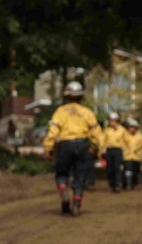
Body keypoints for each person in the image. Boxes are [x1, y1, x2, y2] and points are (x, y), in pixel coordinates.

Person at [43, 81, 102, 216]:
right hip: (83, 145)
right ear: (81, 97)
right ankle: (76, 203)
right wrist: (95, 148)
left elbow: (53, 131)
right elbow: (96, 133)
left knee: (62, 172)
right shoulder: (87, 112)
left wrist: (48, 147)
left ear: (66, 95)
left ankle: (63, 191)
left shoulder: (60, 111)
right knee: (80, 175)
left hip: (65, 145)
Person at [101, 112, 126, 193]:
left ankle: (118, 184)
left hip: (118, 150)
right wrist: (103, 150)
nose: (111, 122)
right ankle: (112, 184)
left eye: (113, 120)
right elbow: (103, 141)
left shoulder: (122, 130)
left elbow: (126, 141)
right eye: (110, 120)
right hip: (109, 150)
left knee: (117, 168)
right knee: (109, 168)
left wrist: (125, 151)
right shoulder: (107, 131)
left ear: (116, 121)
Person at [122, 118, 142, 190]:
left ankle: (133, 183)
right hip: (127, 157)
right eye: (130, 127)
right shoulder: (124, 135)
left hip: (137, 157)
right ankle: (127, 183)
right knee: (128, 170)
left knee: (136, 172)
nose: (132, 129)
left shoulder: (140, 136)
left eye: (134, 128)